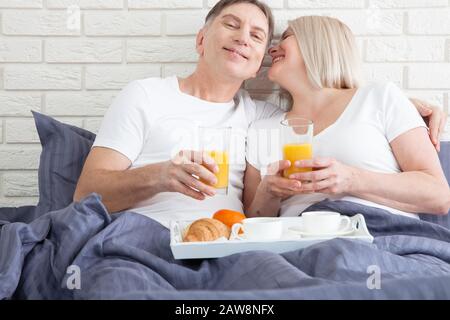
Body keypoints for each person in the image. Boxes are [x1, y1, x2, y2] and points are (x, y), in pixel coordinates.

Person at [74, 0, 446, 228]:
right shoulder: (147, 95)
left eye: (259, 37)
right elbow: (84, 196)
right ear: (202, 40)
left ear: (257, 66)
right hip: (152, 234)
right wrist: (161, 175)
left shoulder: (258, 117)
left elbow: (438, 195)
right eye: (232, 25)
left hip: (242, 243)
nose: (246, 40)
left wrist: (401, 104)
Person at [244, 16, 450, 220]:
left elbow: (439, 196)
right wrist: (268, 193)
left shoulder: (379, 97)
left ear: (319, 43)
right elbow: (251, 225)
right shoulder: (261, 129)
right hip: (297, 242)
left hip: (378, 235)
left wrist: (352, 179)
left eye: (286, 37)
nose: (272, 50)